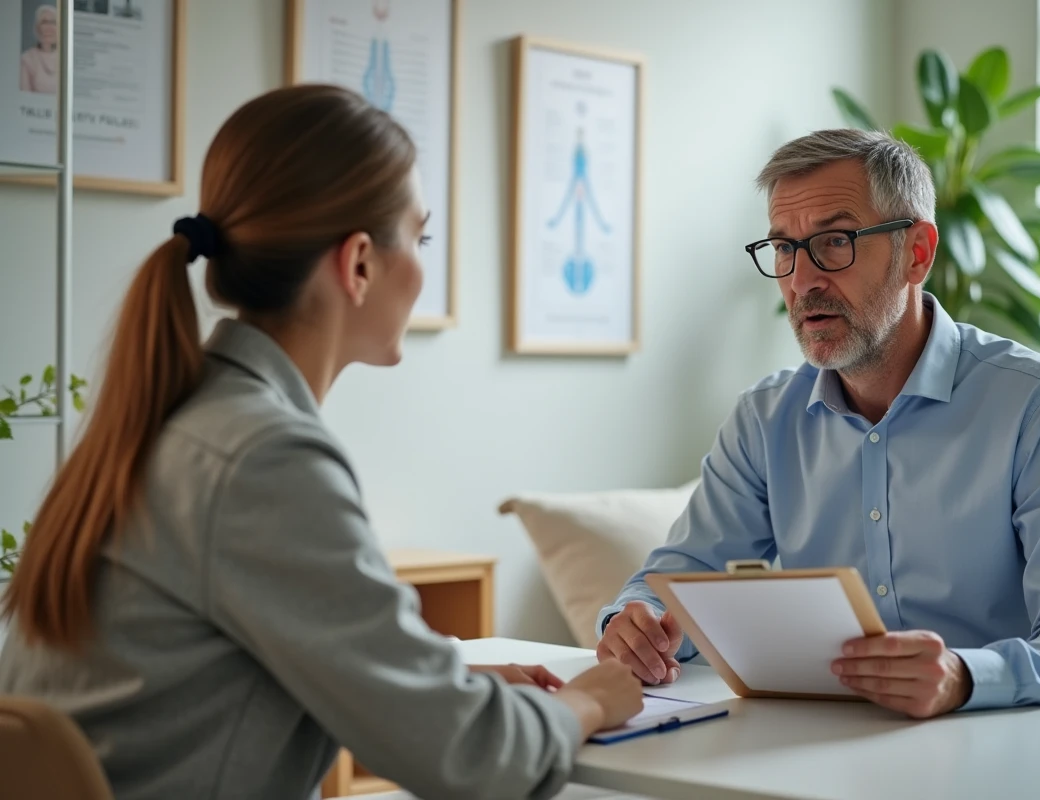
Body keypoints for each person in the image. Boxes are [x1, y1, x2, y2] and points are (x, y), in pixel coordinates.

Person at [0, 84, 642, 800]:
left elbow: (229, 670)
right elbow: (475, 761)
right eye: (420, 237)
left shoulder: (175, 418)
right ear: (359, 263)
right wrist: (589, 701)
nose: (424, 266)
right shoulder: (262, 457)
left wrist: (445, 684)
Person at [595, 128, 1040, 720]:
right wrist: (636, 623)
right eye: (784, 248)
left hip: (996, 749)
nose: (802, 281)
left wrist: (964, 677)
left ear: (918, 253)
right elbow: (685, 576)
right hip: (816, 750)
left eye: (834, 242)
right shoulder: (764, 418)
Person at [19, 5, 58, 95]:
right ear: (37, 28)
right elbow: (24, 96)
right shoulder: (27, 58)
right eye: (44, 22)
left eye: (53, 22)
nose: (49, 27)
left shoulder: (68, 58)